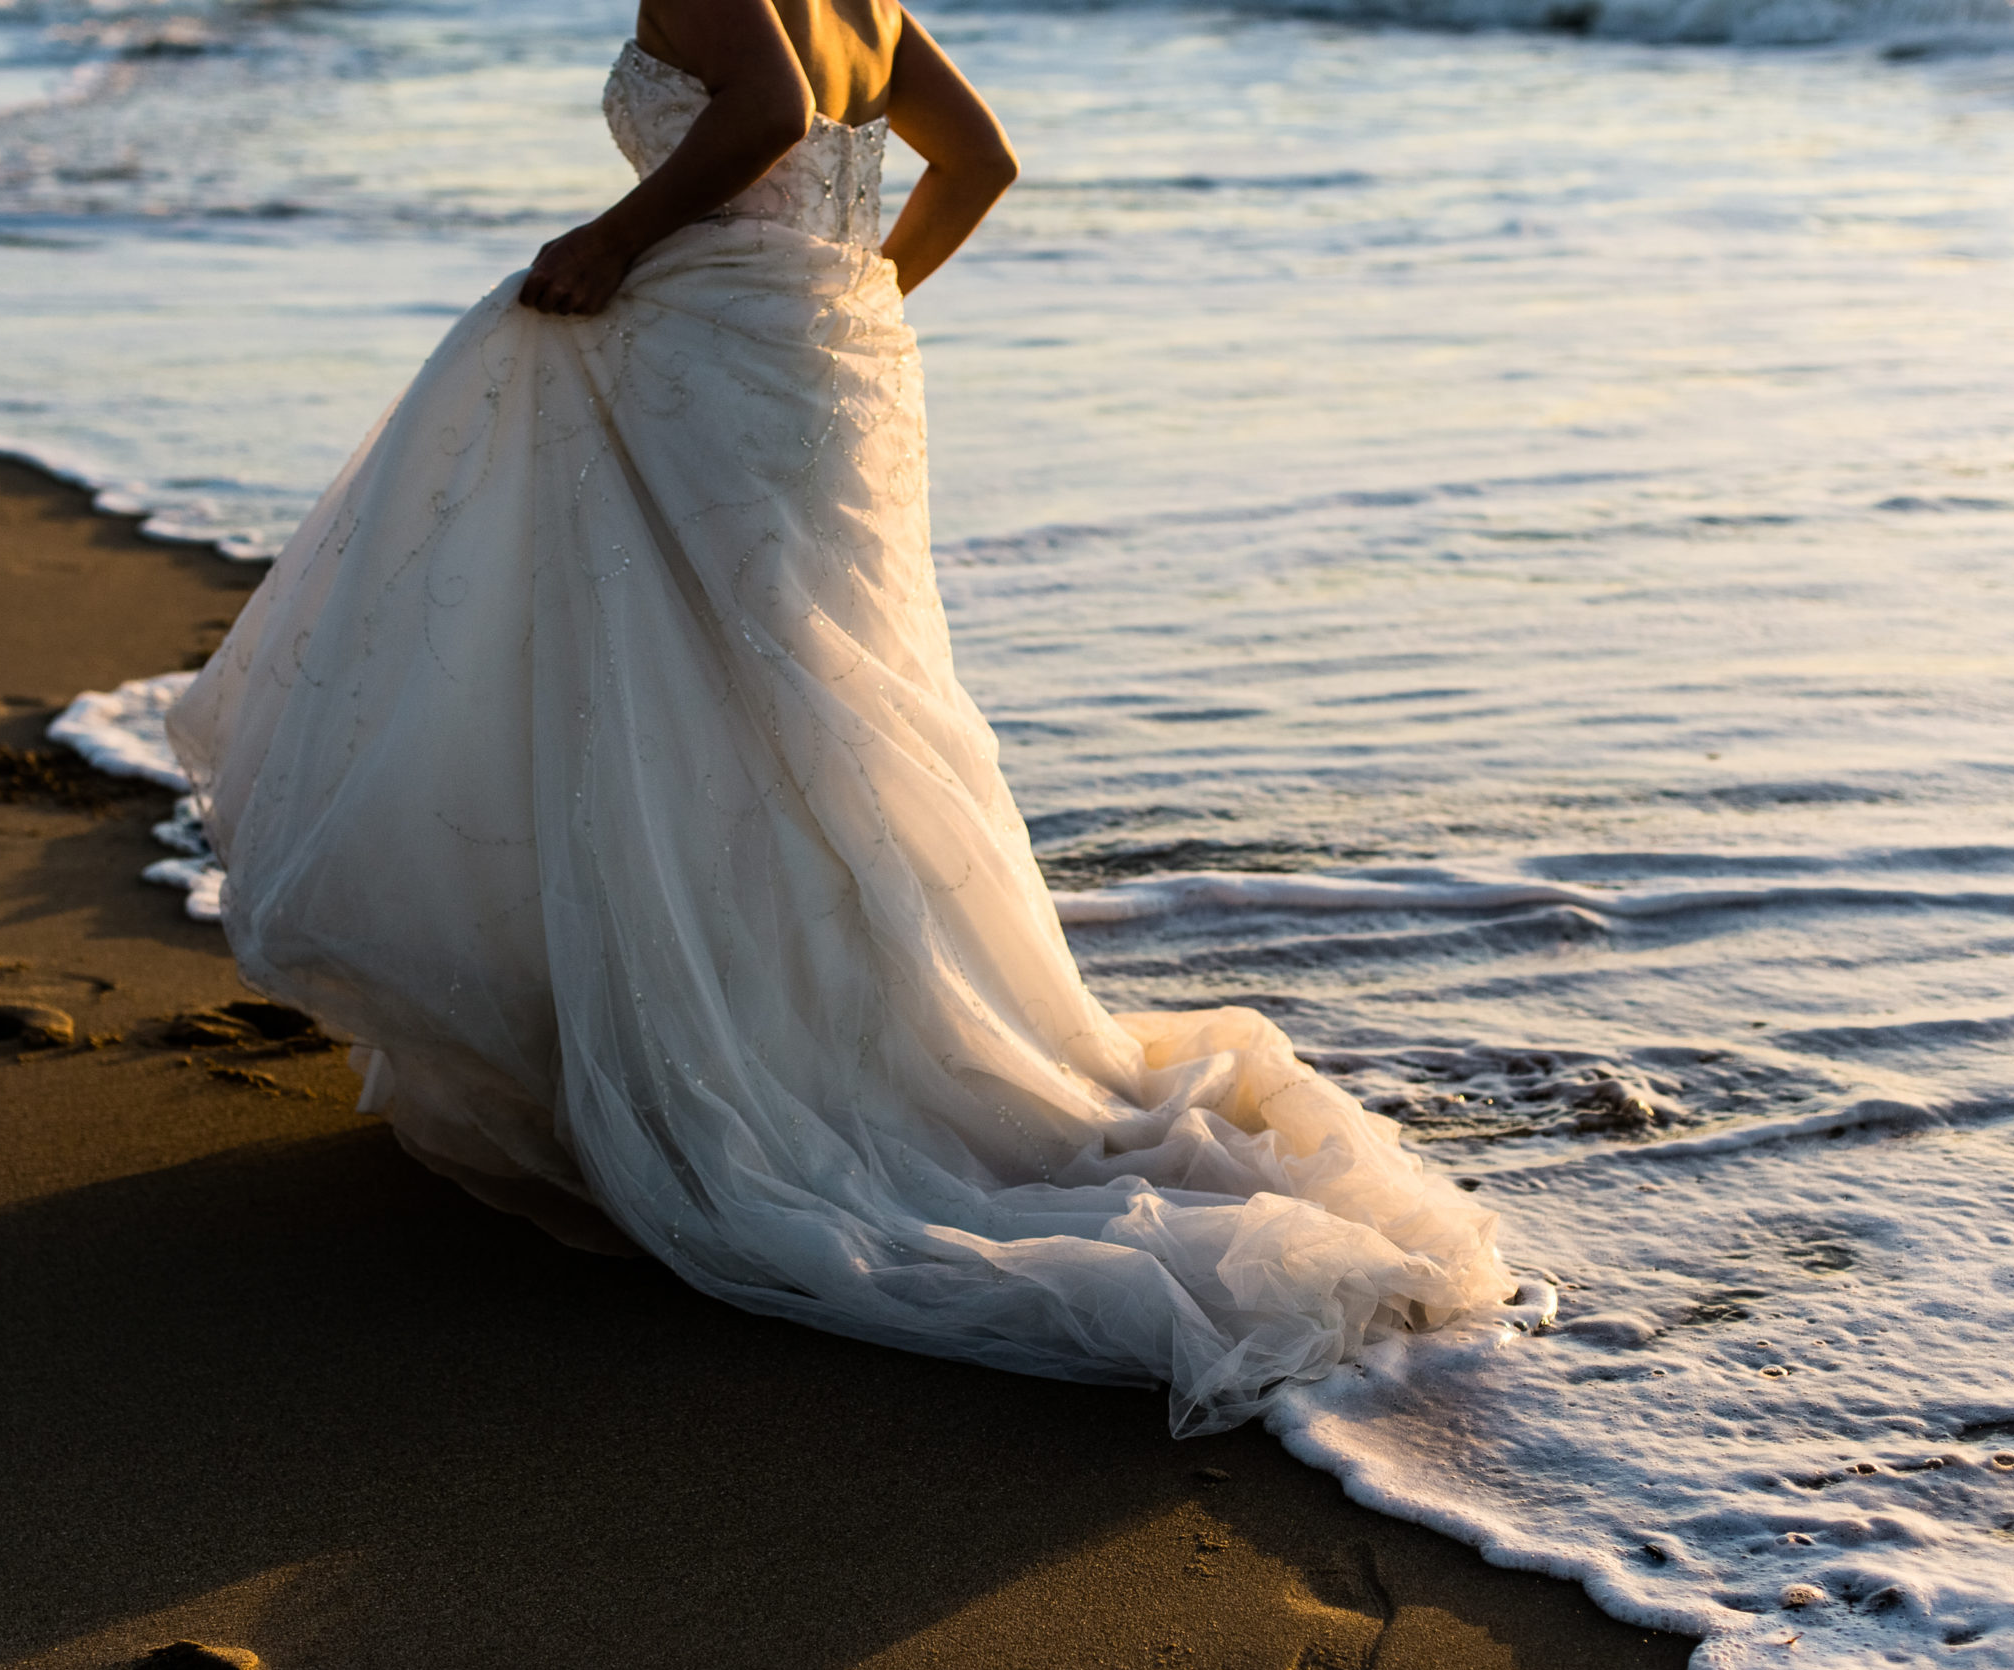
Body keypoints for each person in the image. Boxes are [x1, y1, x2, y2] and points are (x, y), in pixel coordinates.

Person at [167, 0, 1511, 1436]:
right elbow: (977, 162)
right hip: (826, 363)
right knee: (813, 709)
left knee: (702, 695)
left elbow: (768, 114)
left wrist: (615, 239)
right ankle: (826, 1031)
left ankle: (748, 1062)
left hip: (709, 358)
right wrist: (851, 289)